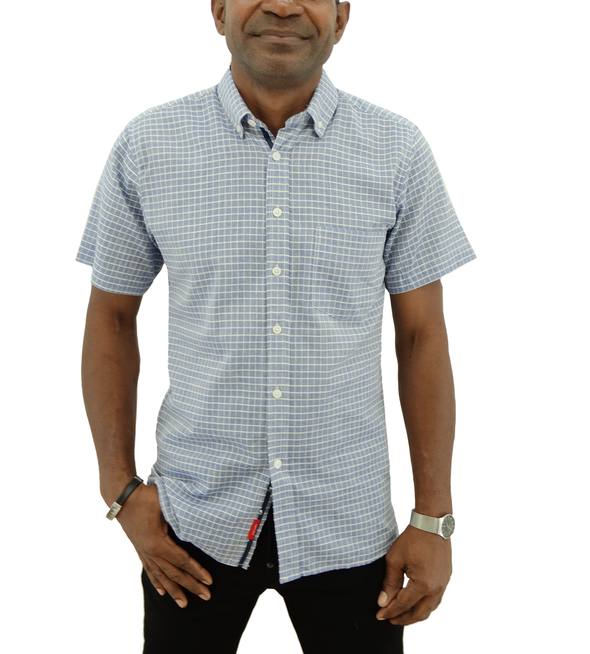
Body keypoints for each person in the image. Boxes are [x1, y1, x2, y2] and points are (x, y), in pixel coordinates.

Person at [78, 1, 476, 652]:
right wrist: (119, 490)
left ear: (342, 17)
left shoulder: (398, 150)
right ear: (219, 10)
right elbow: (112, 317)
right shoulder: (148, 145)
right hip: (190, 524)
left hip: (347, 525)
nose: (284, 5)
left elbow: (421, 337)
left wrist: (434, 517)